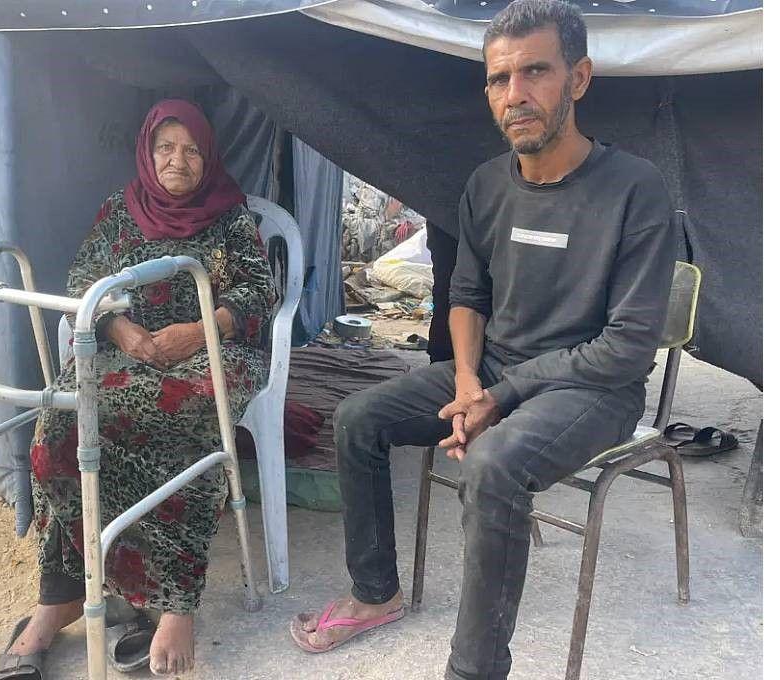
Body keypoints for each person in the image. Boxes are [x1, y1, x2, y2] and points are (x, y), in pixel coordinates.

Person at [290, 1, 677, 678]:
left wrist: (501, 395)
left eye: (536, 72)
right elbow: (466, 297)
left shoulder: (635, 191)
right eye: (499, 79)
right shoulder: (486, 185)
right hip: (495, 369)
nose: (515, 95)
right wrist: (470, 382)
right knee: (358, 418)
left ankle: (474, 670)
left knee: (492, 465)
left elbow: (627, 349)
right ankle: (374, 593)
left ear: (579, 78)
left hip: (592, 389)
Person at [0, 99, 276, 679]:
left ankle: (172, 602)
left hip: (213, 355)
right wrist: (120, 328)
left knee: (181, 413)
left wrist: (198, 330)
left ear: (208, 157)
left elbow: (259, 293)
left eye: (192, 149)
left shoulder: (231, 216)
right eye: (166, 148)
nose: (179, 160)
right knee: (63, 425)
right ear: (147, 153)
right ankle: (64, 593)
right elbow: (81, 280)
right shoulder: (119, 211)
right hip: (128, 348)